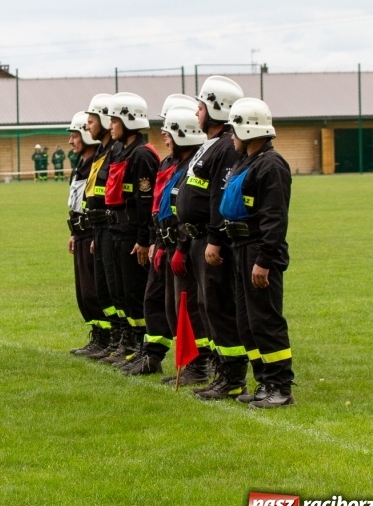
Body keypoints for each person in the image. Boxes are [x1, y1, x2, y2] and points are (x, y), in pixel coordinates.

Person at [172, 75, 248, 396]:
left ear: (217, 108)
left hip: (212, 241)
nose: (197, 113)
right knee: (207, 306)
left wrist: (215, 239)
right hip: (198, 239)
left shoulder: (226, 148)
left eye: (201, 107)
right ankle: (222, 371)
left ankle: (233, 378)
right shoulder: (210, 145)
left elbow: (219, 198)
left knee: (219, 307)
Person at [220, 97, 296, 408]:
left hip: (258, 251)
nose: (231, 137)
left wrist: (264, 260)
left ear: (248, 129)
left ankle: (280, 387)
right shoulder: (247, 161)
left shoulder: (271, 165)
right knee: (247, 321)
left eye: (234, 130)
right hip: (240, 249)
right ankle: (264, 380)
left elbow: (275, 218)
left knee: (265, 319)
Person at [123, 98, 203, 376]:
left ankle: (198, 363)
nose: (164, 137)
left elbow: (189, 209)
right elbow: (158, 205)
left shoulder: (194, 164)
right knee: (158, 301)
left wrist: (181, 244)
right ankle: (152, 354)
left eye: (168, 131)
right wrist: (155, 240)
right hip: (163, 240)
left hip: (182, 242)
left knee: (187, 306)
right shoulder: (169, 162)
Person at [98, 92, 160, 366]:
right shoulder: (119, 150)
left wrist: (143, 239)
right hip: (116, 230)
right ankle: (129, 342)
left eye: (114, 120)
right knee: (120, 292)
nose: (110, 125)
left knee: (135, 292)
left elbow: (146, 202)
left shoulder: (142, 155)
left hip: (132, 233)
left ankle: (142, 345)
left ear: (129, 121)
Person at [65, 111, 108, 357]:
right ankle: (97, 335)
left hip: (92, 234)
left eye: (74, 135)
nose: (71, 141)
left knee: (94, 290)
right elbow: (78, 203)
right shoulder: (81, 165)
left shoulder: (96, 164)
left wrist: (92, 232)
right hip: (81, 234)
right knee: (84, 292)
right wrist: (74, 232)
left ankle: (106, 338)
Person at [82, 93, 120, 360]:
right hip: (99, 229)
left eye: (91, 120)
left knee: (117, 289)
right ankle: (115, 340)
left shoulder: (115, 151)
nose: (87, 126)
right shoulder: (101, 152)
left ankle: (125, 342)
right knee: (104, 289)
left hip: (112, 227)